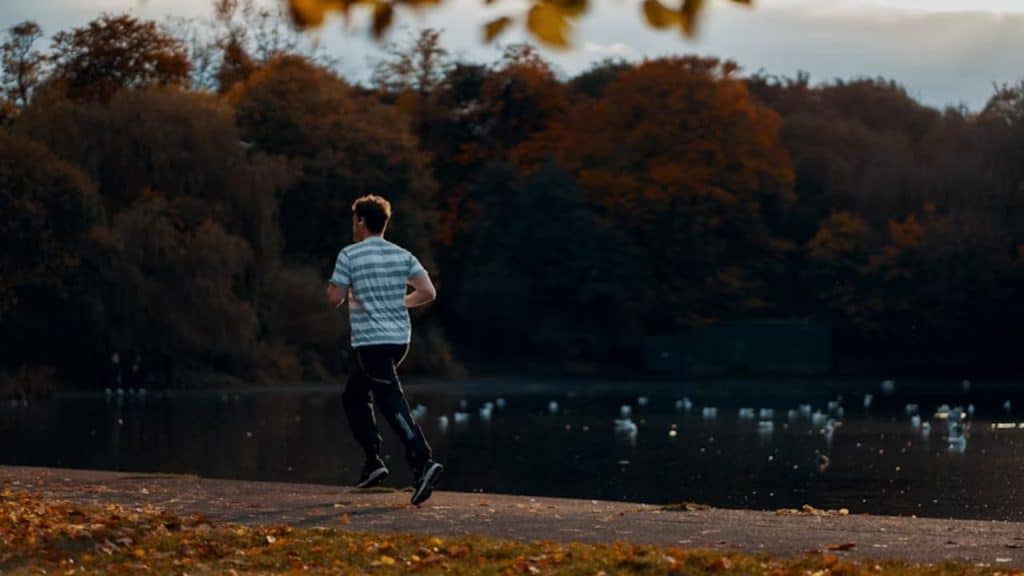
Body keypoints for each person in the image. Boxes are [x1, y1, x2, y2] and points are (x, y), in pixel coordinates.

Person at [326, 195, 443, 506]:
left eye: (354, 220)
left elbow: (333, 297)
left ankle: (422, 461)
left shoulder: (350, 255)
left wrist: (340, 287)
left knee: (390, 400)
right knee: (354, 394)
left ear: (362, 221)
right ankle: (373, 461)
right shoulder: (402, 255)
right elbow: (427, 292)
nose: (353, 226)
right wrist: (399, 302)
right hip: (398, 340)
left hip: (372, 342)